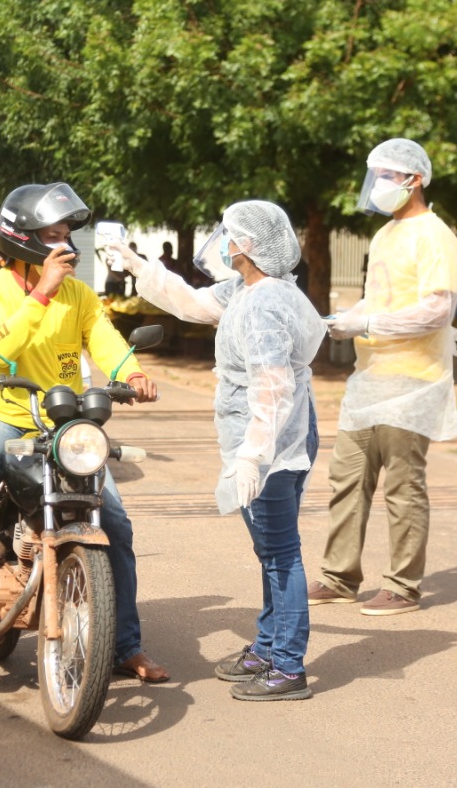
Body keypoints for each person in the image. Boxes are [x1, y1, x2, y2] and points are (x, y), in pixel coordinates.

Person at [0, 182, 169, 683]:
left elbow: (106, 340)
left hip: (65, 424)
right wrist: (42, 294)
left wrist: (130, 372)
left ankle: (125, 645)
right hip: (3, 413)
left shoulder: (80, 294)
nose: (65, 244)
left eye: (68, 232)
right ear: (22, 238)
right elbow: (0, 351)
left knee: (115, 523)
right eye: (53, 233)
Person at [112, 200, 325, 702]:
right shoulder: (251, 290)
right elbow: (195, 304)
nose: (223, 243)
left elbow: (272, 387)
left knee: (281, 555)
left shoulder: (264, 304)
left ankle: (289, 665)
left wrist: (254, 455)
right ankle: (268, 645)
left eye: (230, 235)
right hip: (277, 433)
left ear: (249, 246)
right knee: (270, 551)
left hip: (270, 438)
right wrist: (143, 268)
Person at [311, 138, 457, 616]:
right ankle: (339, 577)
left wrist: (370, 324)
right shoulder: (383, 236)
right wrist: (347, 318)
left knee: (402, 484)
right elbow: (377, 300)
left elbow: (437, 310)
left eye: (385, 176)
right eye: (373, 176)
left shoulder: (435, 235)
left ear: (414, 179)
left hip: (413, 378)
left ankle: (402, 585)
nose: (376, 186)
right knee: (347, 480)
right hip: (369, 378)